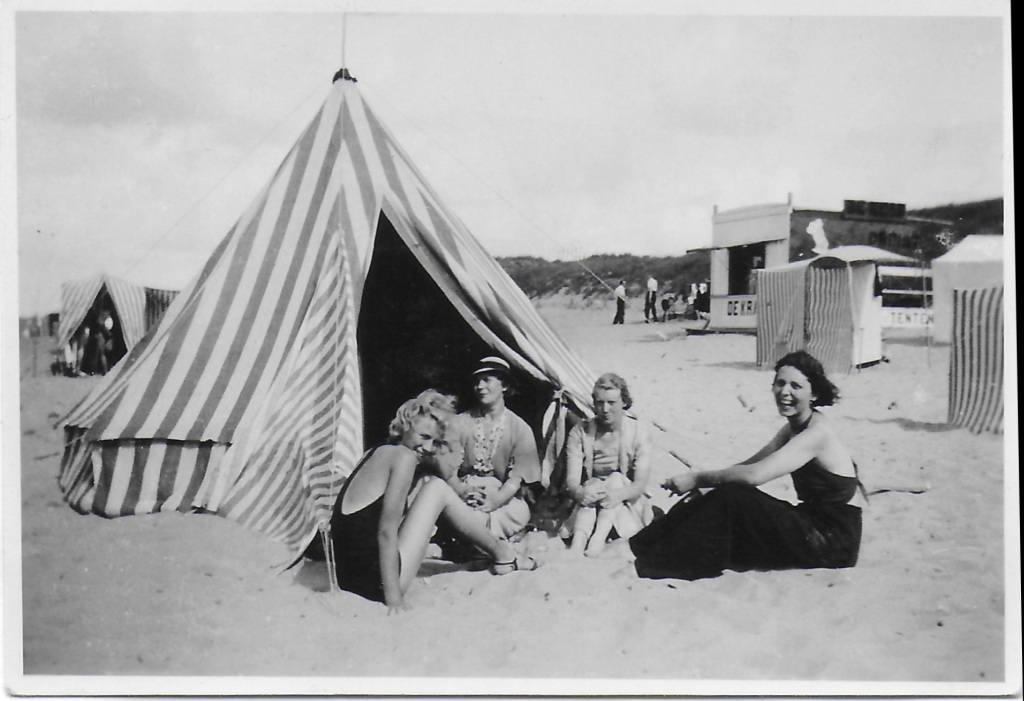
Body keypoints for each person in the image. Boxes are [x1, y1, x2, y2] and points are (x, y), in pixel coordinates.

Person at [627, 351, 863, 581]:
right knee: (723, 493)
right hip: (810, 522)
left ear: (814, 394)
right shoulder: (793, 428)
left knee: (732, 496)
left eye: (796, 386)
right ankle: (639, 545)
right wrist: (708, 487)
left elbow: (753, 476)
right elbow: (750, 464)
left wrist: (698, 478)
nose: (785, 392)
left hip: (831, 541)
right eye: (780, 383)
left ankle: (649, 561)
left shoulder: (816, 433)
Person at [328, 390, 537, 613]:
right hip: (372, 583)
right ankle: (504, 554)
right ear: (406, 425)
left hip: (345, 576)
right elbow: (386, 532)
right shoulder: (403, 458)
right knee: (437, 489)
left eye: (435, 442)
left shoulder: (374, 452)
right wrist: (394, 600)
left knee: (430, 484)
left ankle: (493, 551)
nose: (428, 448)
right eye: (424, 437)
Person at [445, 356, 542, 544]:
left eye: (487, 380)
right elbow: (448, 470)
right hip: (465, 491)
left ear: (504, 385)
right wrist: (462, 491)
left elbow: (516, 479)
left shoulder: (520, 428)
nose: (480, 386)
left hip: (502, 495)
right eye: (476, 382)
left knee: (517, 512)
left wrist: (496, 499)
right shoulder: (460, 422)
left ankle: (476, 540)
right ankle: (488, 542)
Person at [563, 373, 653, 556]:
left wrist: (618, 494)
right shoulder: (581, 431)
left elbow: (640, 483)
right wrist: (580, 493)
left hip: (624, 496)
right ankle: (579, 539)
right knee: (592, 484)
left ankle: (598, 537)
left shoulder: (639, 432)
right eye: (599, 402)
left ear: (624, 403)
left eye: (611, 403)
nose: (605, 409)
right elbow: (571, 481)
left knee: (616, 478)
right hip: (592, 495)